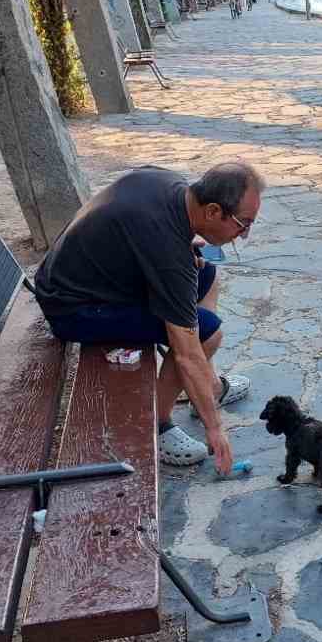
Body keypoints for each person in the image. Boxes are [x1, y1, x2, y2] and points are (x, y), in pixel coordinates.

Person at [33, 164, 265, 474]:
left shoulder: (170, 184)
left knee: (206, 273)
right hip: (75, 310)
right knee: (207, 334)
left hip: (79, 281)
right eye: (242, 224)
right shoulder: (168, 251)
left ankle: (205, 385)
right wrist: (215, 427)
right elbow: (186, 350)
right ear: (212, 211)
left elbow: (141, 236)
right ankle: (156, 422)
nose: (244, 234)